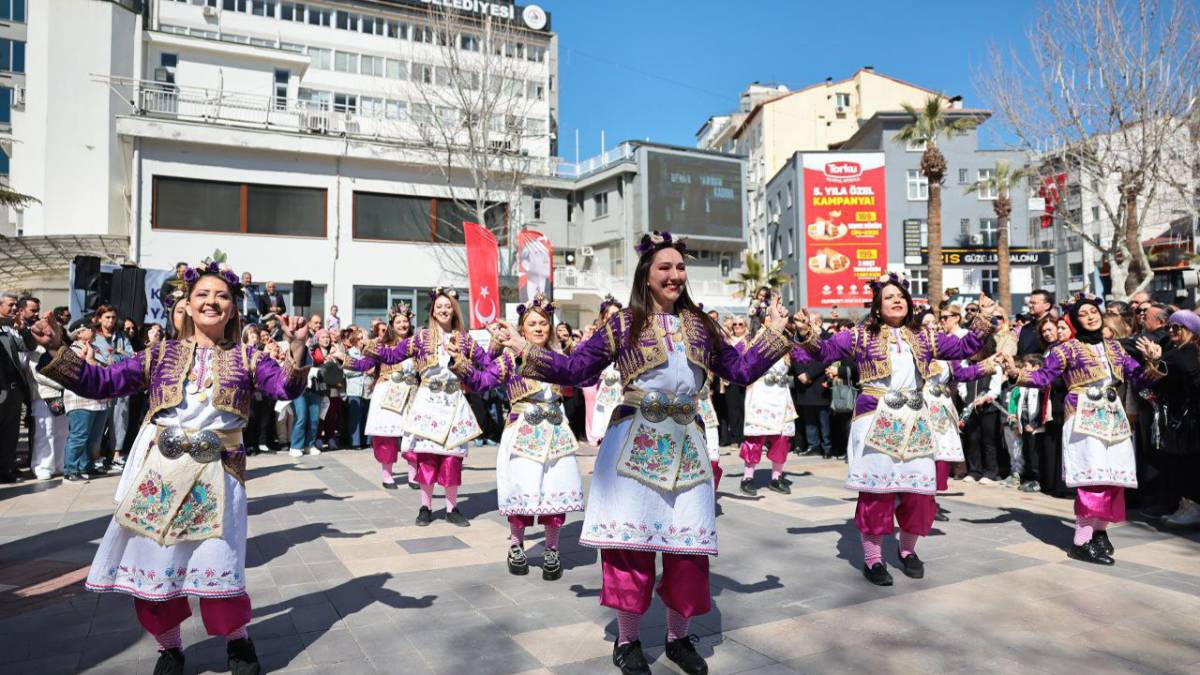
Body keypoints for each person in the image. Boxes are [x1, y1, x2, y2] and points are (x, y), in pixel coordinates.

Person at [496, 231, 792, 675]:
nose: (675, 275)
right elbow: (577, 370)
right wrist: (526, 350)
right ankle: (629, 640)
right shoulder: (622, 324)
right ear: (646, 275)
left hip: (687, 445)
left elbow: (740, 369)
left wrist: (771, 334)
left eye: (680, 267)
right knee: (630, 547)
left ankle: (678, 638)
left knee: (686, 550)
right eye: (665, 268)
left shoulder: (700, 324)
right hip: (634, 439)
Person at [31, 254, 311, 675]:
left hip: (219, 474)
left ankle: (238, 642)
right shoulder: (158, 353)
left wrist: (297, 347)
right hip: (160, 475)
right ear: (189, 302)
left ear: (233, 305)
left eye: (221, 295)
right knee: (155, 570)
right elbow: (100, 382)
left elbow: (284, 386)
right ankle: (170, 648)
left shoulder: (250, 357)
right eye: (203, 294)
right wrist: (56, 347)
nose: (212, 302)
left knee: (219, 567)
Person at [793, 273, 998, 586]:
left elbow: (966, 345)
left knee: (920, 494)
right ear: (877, 305)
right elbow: (822, 353)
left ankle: (908, 550)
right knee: (877, 492)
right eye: (889, 296)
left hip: (915, 419)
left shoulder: (926, 336)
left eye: (901, 295)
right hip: (874, 415)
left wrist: (983, 317)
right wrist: (806, 331)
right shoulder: (858, 335)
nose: (897, 300)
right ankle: (873, 558)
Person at [1001, 292, 1163, 565]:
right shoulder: (1067, 349)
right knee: (1092, 478)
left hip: (1113, 416)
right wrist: (1018, 374)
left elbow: (1139, 377)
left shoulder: (1115, 347)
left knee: (1113, 479)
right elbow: (1044, 376)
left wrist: (1154, 361)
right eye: (1083, 314)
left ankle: (1100, 532)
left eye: (1093, 312)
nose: (1090, 317)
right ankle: (1081, 541)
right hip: (1083, 414)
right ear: (1075, 320)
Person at [451, 293, 584, 580]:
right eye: (532, 323)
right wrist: (460, 362)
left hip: (556, 431)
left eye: (543, 323)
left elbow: (584, 378)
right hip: (522, 429)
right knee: (521, 490)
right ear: (521, 329)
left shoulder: (559, 359)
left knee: (554, 492)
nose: (538, 328)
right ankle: (516, 545)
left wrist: (577, 348)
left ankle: (551, 549)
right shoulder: (511, 360)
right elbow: (482, 381)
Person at [362, 289, 493, 524]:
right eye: (439, 306)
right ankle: (426, 507)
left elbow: (487, 362)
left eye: (448, 306)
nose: (444, 309)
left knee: (452, 457)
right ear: (432, 310)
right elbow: (392, 356)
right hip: (428, 403)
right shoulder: (421, 338)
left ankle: (452, 509)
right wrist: (368, 346)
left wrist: (502, 345)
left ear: (454, 310)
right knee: (427, 457)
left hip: (453, 402)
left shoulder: (464, 339)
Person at [348, 306, 418, 489]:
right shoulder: (381, 345)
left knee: (414, 435)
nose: (402, 324)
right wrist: (344, 359)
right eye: (398, 322)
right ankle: (387, 475)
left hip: (411, 393)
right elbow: (365, 365)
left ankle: (413, 475)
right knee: (387, 435)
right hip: (388, 392)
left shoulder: (417, 345)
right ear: (391, 325)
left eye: (405, 321)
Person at [738, 300, 799, 496]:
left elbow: (807, 355)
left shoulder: (788, 340)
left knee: (782, 437)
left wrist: (806, 330)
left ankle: (776, 477)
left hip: (781, 393)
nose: (779, 317)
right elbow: (735, 360)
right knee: (756, 436)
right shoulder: (750, 340)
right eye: (774, 314)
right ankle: (748, 477)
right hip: (761, 392)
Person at [1151, 310, 1200, 528]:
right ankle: (1186, 505)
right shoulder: (1177, 352)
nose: (1171, 331)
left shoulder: (1187, 353)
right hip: (1181, 416)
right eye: (1169, 327)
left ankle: (1193, 507)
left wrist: (1156, 362)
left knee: (1188, 464)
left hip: (1190, 418)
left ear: (1190, 330)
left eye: (1177, 327)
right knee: (1182, 463)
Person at [0, 290, 35, 483]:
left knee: (10, 434)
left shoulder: (12, 328)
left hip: (14, 391)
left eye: (16, 306)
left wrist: (22, 329)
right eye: (10, 305)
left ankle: (5, 470)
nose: (14, 309)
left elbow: (28, 346)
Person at [588, 297, 624, 445]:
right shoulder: (599, 337)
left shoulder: (626, 335)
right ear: (604, 317)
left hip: (624, 387)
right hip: (608, 388)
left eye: (618, 314)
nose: (616, 317)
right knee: (606, 429)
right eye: (612, 314)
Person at [341, 328, 368, 450]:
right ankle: (355, 442)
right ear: (355, 340)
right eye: (360, 338)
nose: (363, 341)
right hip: (354, 389)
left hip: (367, 389)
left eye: (364, 338)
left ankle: (365, 440)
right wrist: (362, 369)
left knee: (365, 415)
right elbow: (347, 371)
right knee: (355, 417)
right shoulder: (350, 353)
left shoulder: (368, 352)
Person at [1018, 290, 1055, 356]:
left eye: (1034, 303)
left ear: (1047, 306)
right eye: (1030, 303)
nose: (1030, 305)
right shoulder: (1026, 328)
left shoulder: (1054, 325)